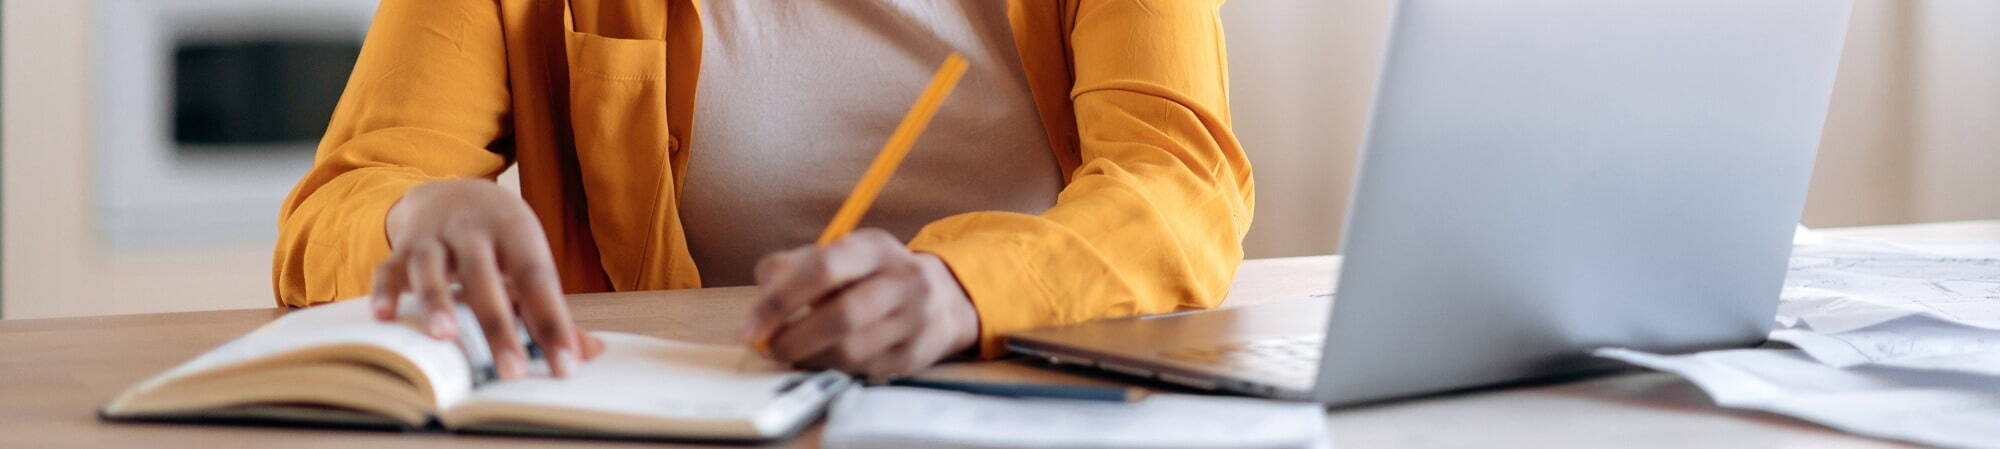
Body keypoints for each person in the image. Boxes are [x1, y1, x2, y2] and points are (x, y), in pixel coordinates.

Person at [274, 0, 1253, 381]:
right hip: (693, 413)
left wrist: (961, 289)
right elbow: (336, 205)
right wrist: (420, 214)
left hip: (1020, 400)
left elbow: (1178, 182)